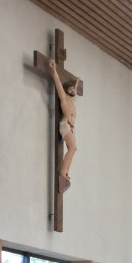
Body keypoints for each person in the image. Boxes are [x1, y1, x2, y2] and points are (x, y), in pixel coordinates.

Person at [48, 58, 79, 194]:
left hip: (70, 128)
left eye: (74, 89)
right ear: (66, 91)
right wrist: (54, 71)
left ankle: (66, 173)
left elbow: (75, 90)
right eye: (70, 88)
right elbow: (59, 84)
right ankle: (62, 173)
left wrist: (76, 83)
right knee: (73, 148)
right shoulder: (65, 99)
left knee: (73, 149)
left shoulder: (72, 102)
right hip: (65, 125)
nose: (73, 90)